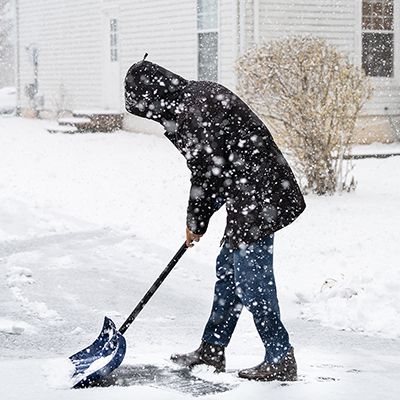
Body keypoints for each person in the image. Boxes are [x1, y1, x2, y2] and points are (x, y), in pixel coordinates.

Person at [125, 54, 306, 381]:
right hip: (249, 194)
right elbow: (217, 170)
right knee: (229, 271)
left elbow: (208, 174)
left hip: (261, 195)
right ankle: (212, 348)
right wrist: (201, 220)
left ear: (155, 97)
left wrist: (196, 223)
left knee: (252, 279)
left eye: (146, 109)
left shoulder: (197, 109)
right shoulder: (191, 100)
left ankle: (280, 355)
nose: (150, 117)